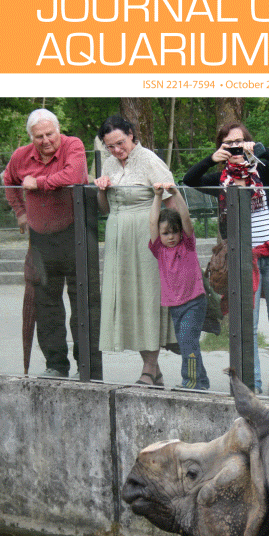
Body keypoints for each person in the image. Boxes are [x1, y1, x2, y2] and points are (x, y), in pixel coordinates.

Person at [183, 123, 269, 393]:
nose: (236, 147)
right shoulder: (219, 181)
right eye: (230, 143)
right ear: (221, 147)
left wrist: (258, 150)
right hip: (243, 259)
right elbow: (190, 179)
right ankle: (251, 388)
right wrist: (211, 159)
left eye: (241, 141)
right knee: (247, 328)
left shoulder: (262, 170)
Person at [94, 115, 180, 386]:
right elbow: (105, 208)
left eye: (120, 143)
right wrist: (101, 189)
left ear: (131, 134)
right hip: (118, 238)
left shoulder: (150, 160)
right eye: (110, 146)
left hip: (147, 236)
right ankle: (152, 369)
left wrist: (175, 243)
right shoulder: (108, 163)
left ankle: (149, 367)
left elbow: (173, 201)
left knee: (148, 299)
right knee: (129, 301)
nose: (117, 150)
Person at [4, 108, 88, 378]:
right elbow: (8, 180)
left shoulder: (73, 145)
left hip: (74, 233)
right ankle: (56, 365)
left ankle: (87, 367)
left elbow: (73, 176)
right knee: (46, 304)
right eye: (38, 136)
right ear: (31, 137)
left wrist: (37, 183)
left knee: (82, 302)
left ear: (58, 129)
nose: (45, 140)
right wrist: (20, 212)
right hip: (40, 238)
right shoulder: (21, 156)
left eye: (49, 133)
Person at [149, 183, 210, 390]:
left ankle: (191, 381)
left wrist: (175, 193)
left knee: (187, 341)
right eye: (165, 233)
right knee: (188, 343)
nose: (171, 237)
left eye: (174, 232)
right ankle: (200, 381)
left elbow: (185, 219)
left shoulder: (187, 244)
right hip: (175, 306)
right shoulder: (159, 250)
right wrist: (157, 197)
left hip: (194, 302)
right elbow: (152, 222)